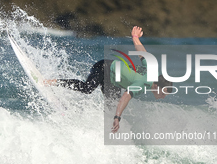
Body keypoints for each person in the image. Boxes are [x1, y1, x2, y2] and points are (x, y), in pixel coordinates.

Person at [44, 26, 172, 133]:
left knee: (110, 107)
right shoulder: (142, 84)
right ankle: (54, 82)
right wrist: (118, 117)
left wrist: (135, 38)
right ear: (157, 86)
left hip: (113, 81)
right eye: (164, 93)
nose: (163, 96)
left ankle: (85, 122)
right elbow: (126, 97)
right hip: (104, 68)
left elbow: (143, 53)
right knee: (87, 88)